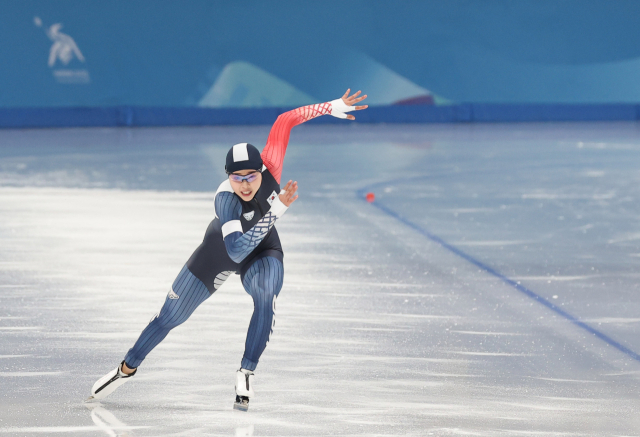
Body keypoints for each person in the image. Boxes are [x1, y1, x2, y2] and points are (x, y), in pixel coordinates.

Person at [87, 89, 368, 410]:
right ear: (228, 178)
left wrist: (331, 106)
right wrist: (277, 210)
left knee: (265, 296)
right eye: (237, 178)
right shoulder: (226, 199)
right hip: (218, 254)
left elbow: (285, 120)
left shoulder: (271, 168)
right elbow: (235, 250)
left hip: (263, 251)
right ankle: (126, 369)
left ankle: (246, 371)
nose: (245, 184)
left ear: (262, 171)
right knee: (169, 318)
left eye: (251, 176)